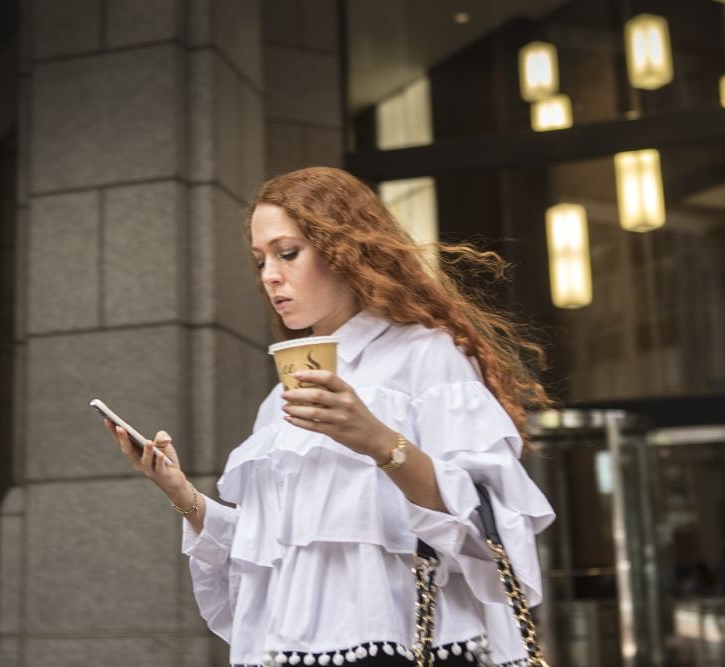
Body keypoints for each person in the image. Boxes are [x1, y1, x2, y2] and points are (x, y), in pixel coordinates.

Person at [103, 166, 555, 667]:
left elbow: (486, 528)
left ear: (345, 252)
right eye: (260, 261)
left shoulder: (426, 354)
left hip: (412, 645)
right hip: (297, 651)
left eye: (288, 252)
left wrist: (380, 443)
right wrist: (181, 495)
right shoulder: (279, 400)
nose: (270, 275)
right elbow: (272, 554)